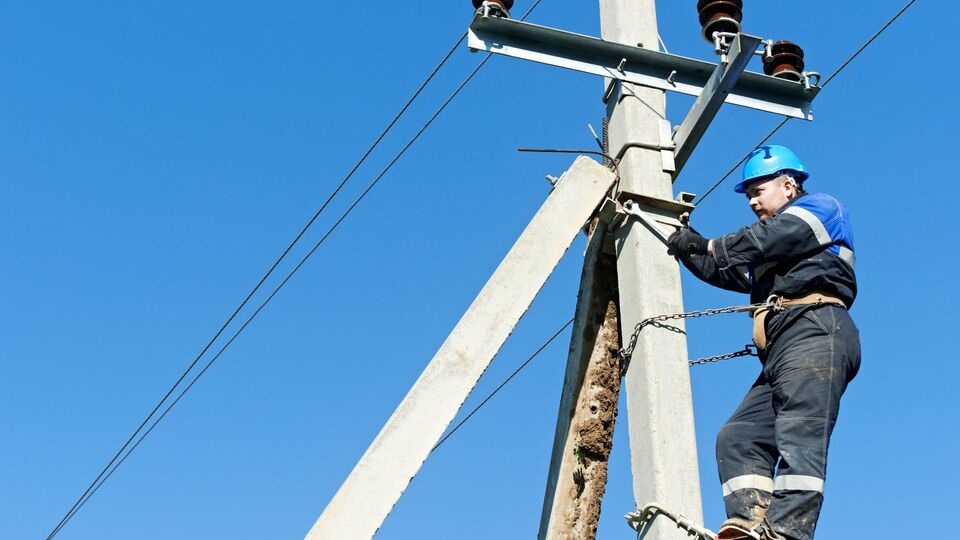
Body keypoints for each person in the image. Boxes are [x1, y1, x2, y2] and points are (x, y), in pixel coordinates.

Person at [666, 145, 860, 540]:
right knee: (739, 436)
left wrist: (708, 245)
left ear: (789, 185)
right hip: (785, 346)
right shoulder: (775, 249)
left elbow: (766, 239)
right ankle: (750, 521)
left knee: (799, 430)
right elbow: (728, 269)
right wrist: (685, 243)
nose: (752, 200)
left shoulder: (822, 209)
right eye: (748, 194)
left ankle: (787, 533)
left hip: (817, 329)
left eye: (759, 190)